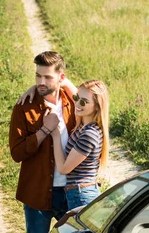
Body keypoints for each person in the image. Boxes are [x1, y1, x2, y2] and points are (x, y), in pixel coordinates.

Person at [9, 51, 76, 233]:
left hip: (70, 191)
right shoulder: (24, 107)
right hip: (37, 192)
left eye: (47, 77)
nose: (40, 81)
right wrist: (43, 131)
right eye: (37, 76)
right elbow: (16, 152)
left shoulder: (73, 99)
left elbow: (92, 94)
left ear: (60, 77)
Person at [20, 79, 110, 210]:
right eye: (76, 97)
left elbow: (63, 169)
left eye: (84, 101)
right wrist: (35, 88)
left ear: (97, 106)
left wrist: (55, 134)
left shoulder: (89, 134)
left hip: (81, 196)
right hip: (78, 193)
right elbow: (64, 81)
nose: (78, 103)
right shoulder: (82, 126)